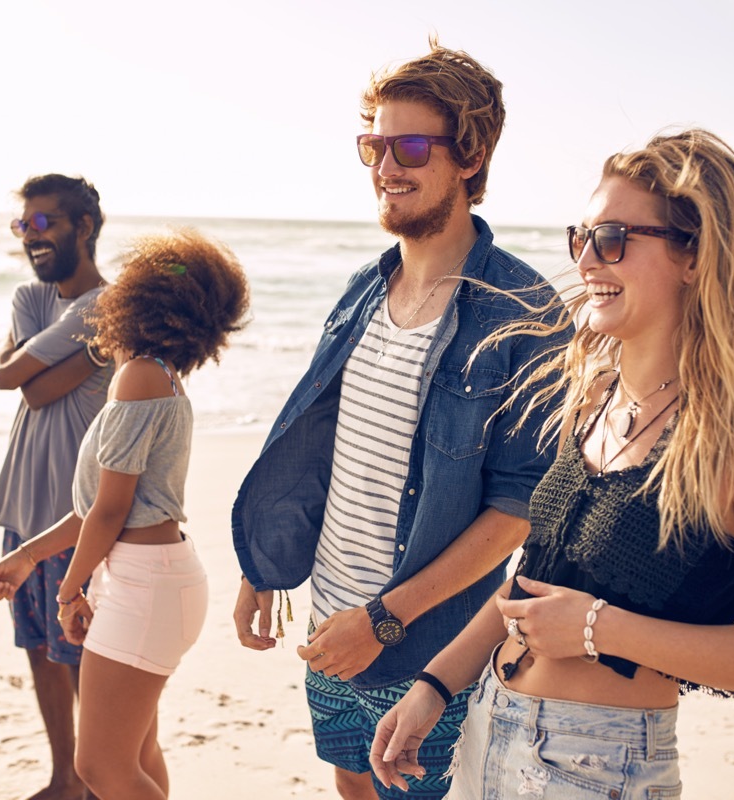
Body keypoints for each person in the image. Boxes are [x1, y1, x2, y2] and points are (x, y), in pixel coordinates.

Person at [368, 129, 734, 799]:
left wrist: (598, 628)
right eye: (581, 236)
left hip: (598, 767)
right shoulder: (591, 399)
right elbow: (530, 585)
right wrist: (434, 685)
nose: (588, 260)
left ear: (694, 255)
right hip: (488, 727)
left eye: (614, 238)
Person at [232, 44, 566, 800]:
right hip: (330, 620)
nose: (387, 165)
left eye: (411, 145)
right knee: (351, 783)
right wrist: (267, 567)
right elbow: (321, 449)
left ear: (470, 157)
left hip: (427, 643)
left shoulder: (523, 313)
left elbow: (519, 510)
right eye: (374, 146)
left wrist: (382, 621)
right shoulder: (361, 289)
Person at [0, 227, 250, 799]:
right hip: (146, 577)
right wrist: (30, 557)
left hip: (144, 584)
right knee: (137, 754)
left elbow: (109, 512)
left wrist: (68, 592)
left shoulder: (141, 376)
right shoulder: (159, 378)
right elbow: (94, 512)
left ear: (140, 306)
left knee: (101, 767)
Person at [0, 173, 112, 800]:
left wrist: (68, 361)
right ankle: (65, 778)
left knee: (85, 654)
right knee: (38, 647)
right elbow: (14, 377)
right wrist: (85, 358)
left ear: (83, 227)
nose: (31, 237)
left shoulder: (108, 306)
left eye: (44, 224)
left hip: (75, 512)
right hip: (22, 507)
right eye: (23, 225)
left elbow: (24, 382)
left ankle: (98, 778)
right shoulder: (30, 297)